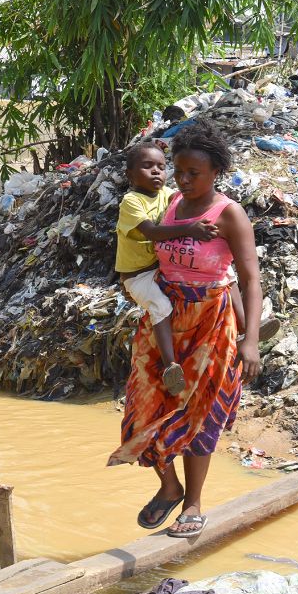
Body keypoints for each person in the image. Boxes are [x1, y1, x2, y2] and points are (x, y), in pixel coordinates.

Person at [109, 120, 263, 539]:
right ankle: (168, 486)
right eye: (179, 172)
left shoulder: (229, 214)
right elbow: (142, 243)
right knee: (144, 408)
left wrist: (250, 342)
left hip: (211, 324)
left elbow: (249, 279)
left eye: (194, 173)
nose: (184, 180)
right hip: (163, 321)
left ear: (216, 172)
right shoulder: (171, 204)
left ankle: (193, 503)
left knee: (199, 415)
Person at [116, 142, 218, 395]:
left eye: (162, 167)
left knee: (220, 275)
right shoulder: (131, 201)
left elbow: (189, 201)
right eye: (147, 166)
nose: (156, 172)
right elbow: (152, 232)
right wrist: (191, 229)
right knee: (161, 307)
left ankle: (246, 329)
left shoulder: (168, 195)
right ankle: (169, 365)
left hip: (159, 267)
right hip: (137, 276)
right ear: (130, 174)